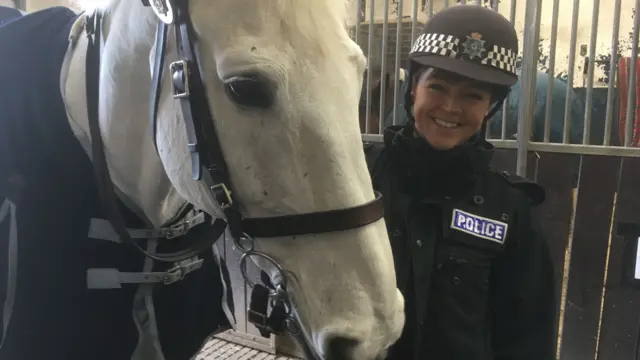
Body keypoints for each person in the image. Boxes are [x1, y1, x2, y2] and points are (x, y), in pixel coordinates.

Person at [363, 5, 557, 360]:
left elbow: (528, 336)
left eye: (473, 95)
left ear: (490, 108)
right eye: (437, 86)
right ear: (413, 90)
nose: (451, 107)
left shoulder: (511, 210)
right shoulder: (360, 179)